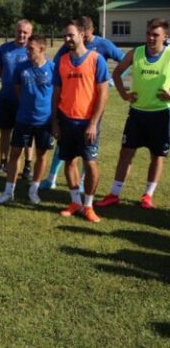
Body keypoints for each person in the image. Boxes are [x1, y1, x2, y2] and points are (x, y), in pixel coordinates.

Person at [41, 16, 125, 190]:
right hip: (68, 108)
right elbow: (56, 66)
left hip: (89, 107)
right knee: (65, 150)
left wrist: (110, 80)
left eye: (84, 33)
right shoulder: (67, 47)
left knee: (88, 153)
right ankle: (52, 178)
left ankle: (83, 187)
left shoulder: (102, 47)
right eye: (67, 36)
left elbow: (124, 61)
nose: (70, 39)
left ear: (89, 31)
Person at [96, 18, 170, 210]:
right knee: (126, 153)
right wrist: (123, 94)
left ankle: (148, 195)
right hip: (137, 114)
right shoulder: (136, 53)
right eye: (148, 34)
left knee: (157, 156)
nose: (151, 38)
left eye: (156, 35)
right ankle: (114, 194)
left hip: (161, 115)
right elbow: (117, 73)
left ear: (165, 36)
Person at [51, 19, 109, 223]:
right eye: (64, 35)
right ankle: (75, 201)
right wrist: (55, 122)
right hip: (66, 120)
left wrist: (93, 122)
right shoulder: (62, 61)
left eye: (71, 35)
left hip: (88, 122)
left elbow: (103, 93)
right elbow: (56, 94)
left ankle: (88, 205)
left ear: (82, 35)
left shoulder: (96, 59)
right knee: (69, 160)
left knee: (91, 163)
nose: (67, 39)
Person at [0, 34, 55, 204]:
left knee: (41, 155)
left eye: (30, 49)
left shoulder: (53, 68)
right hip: (23, 119)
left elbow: (58, 94)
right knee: (15, 154)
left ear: (42, 49)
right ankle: (8, 191)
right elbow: (18, 89)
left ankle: (33, 190)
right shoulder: (21, 68)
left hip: (45, 121)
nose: (27, 51)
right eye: (27, 48)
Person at [0, 20, 34, 180]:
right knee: (5, 132)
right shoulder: (4, 48)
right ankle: (3, 163)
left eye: (25, 32)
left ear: (30, 33)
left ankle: (28, 166)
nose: (21, 35)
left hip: (26, 100)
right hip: (6, 97)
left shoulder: (32, 50)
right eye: (19, 31)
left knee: (27, 135)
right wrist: (9, 80)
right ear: (15, 31)